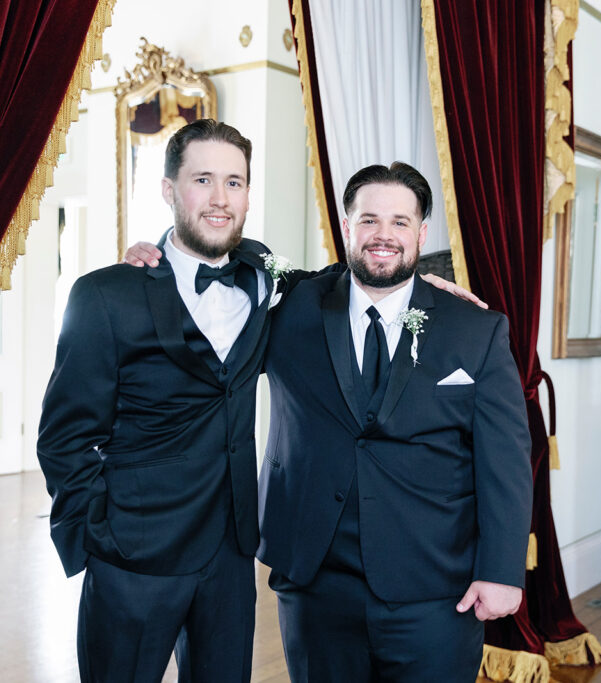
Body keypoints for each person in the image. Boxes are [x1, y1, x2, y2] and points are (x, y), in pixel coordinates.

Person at [45, 119, 481, 683]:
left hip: (231, 556)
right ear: (169, 188)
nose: (220, 198)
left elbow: (341, 280)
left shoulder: (260, 276)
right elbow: (64, 436)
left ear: (248, 193)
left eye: (235, 182)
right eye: (203, 179)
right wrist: (97, 540)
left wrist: (423, 284)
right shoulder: (105, 294)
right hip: (133, 557)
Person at [256, 162, 533, 682]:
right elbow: (232, 260)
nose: (384, 235)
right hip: (315, 584)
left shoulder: (476, 329)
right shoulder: (291, 308)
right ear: (346, 226)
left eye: (400, 222)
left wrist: (501, 572)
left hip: (435, 590)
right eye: (369, 220)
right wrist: (150, 255)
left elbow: (506, 461)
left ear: (422, 233)